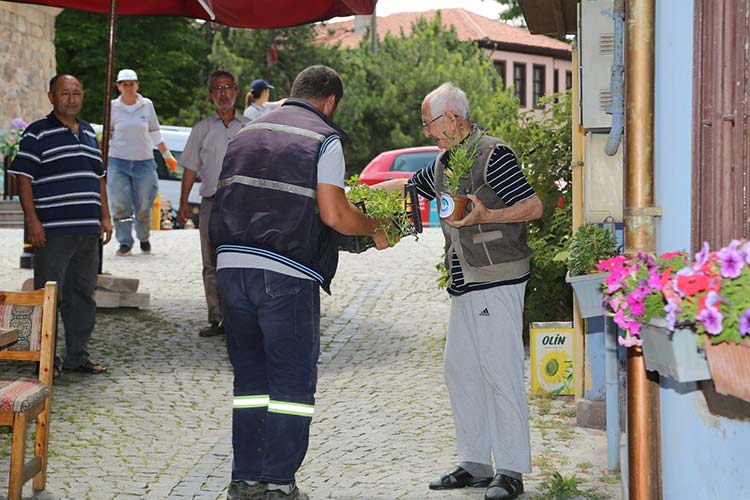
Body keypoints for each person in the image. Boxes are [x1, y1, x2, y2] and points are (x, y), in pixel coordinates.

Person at [210, 65, 390, 500]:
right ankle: (277, 484)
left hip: (230, 268)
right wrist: (375, 227)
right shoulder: (322, 138)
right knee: (292, 385)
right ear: (329, 102)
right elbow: (334, 214)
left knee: (250, 381)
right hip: (285, 272)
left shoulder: (246, 133)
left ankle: (245, 480)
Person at [377, 82, 543, 500]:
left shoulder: (493, 153)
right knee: (460, 367)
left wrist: (491, 213)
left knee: (499, 369)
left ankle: (510, 470)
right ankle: (475, 463)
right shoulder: (445, 161)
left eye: (428, 123)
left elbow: (534, 206)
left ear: (451, 117)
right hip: (464, 279)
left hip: (497, 276)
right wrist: (348, 197)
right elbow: (407, 186)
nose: (427, 132)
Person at [9, 74, 112, 375]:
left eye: (77, 93)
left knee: (83, 296)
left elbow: (99, 178)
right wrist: (32, 221)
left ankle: (77, 357)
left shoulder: (91, 132)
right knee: (50, 296)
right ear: (51, 97)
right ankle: (47, 361)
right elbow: (23, 178)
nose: (71, 98)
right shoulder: (37, 133)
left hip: (87, 231)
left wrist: (104, 217)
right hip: (52, 231)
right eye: (64, 93)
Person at [176, 70, 249, 338]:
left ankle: (241, 317)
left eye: (228, 87)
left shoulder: (249, 127)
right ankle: (217, 318)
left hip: (242, 204)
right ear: (211, 95)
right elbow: (189, 169)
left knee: (241, 260)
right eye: (218, 88)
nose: (223, 93)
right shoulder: (201, 130)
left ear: (237, 92)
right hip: (211, 202)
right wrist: (184, 202)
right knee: (211, 262)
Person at [107, 68, 177, 256]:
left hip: (143, 162)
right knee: (120, 204)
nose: (128, 87)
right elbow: (107, 133)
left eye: (131, 84)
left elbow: (154, 131)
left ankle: (144, 237)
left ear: (137, 85)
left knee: (144, 204)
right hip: (118, 160)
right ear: (118, 86)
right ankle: (125, 242)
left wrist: (167, 154)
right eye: (124, 84)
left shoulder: (146, 105)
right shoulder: (112, 106)